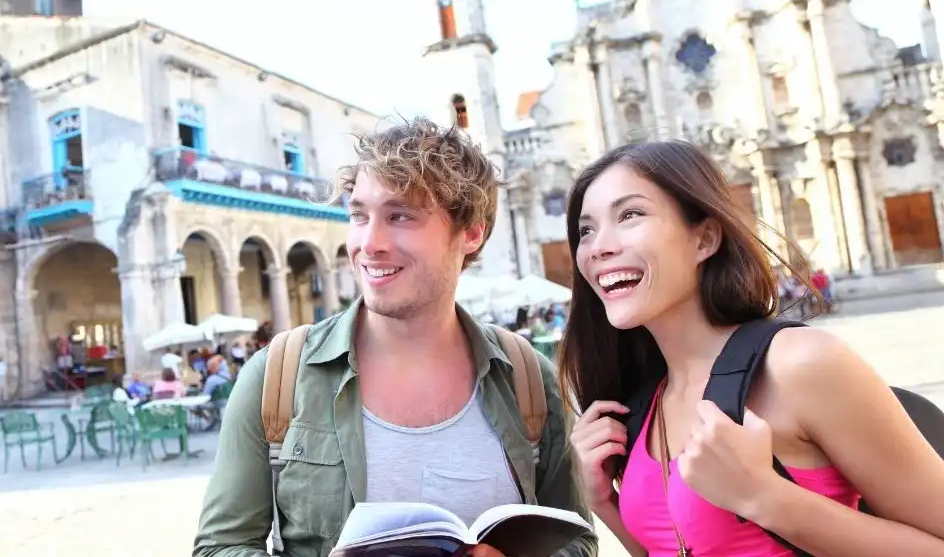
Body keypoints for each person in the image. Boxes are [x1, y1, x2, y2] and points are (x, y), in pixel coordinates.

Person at [193, 117, 596, 557]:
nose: (370, 243)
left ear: (471, 233)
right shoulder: (276, 376)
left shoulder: (528, 379)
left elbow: (577, 540)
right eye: (359, 215)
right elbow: (220, 547)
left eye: (400, 216)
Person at [561, 140, 944, 556]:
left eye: (629, 215)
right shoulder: (645, 400)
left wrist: (764, 497)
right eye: (586, 229)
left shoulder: (799, 364)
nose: (599, 246)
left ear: (704, 238)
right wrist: (603, 501)